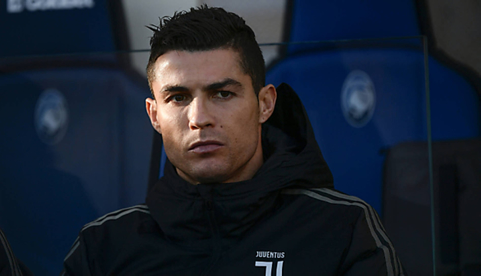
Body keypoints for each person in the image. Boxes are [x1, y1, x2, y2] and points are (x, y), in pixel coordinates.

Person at [62, 5, 404, 275]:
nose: (199, 118)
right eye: (178, 98)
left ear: (265, 104)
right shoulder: (104, 246)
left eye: (222, 93)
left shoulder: (341, 230)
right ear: (154, 115)